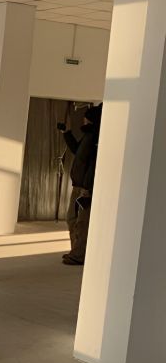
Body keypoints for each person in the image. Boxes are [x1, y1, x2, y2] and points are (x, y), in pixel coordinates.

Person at [58, 104, 102, 265]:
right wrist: (67, 133)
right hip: (78, 186)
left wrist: (87, 188)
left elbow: (93, 165)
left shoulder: (96, 138)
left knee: (82, 222)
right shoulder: (88, 136)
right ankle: (76, 251)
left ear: (91, 119)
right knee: (72, 219)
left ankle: (79, 255)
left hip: (85, 188)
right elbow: (77, 151)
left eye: (86, 117)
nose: (83, 119)